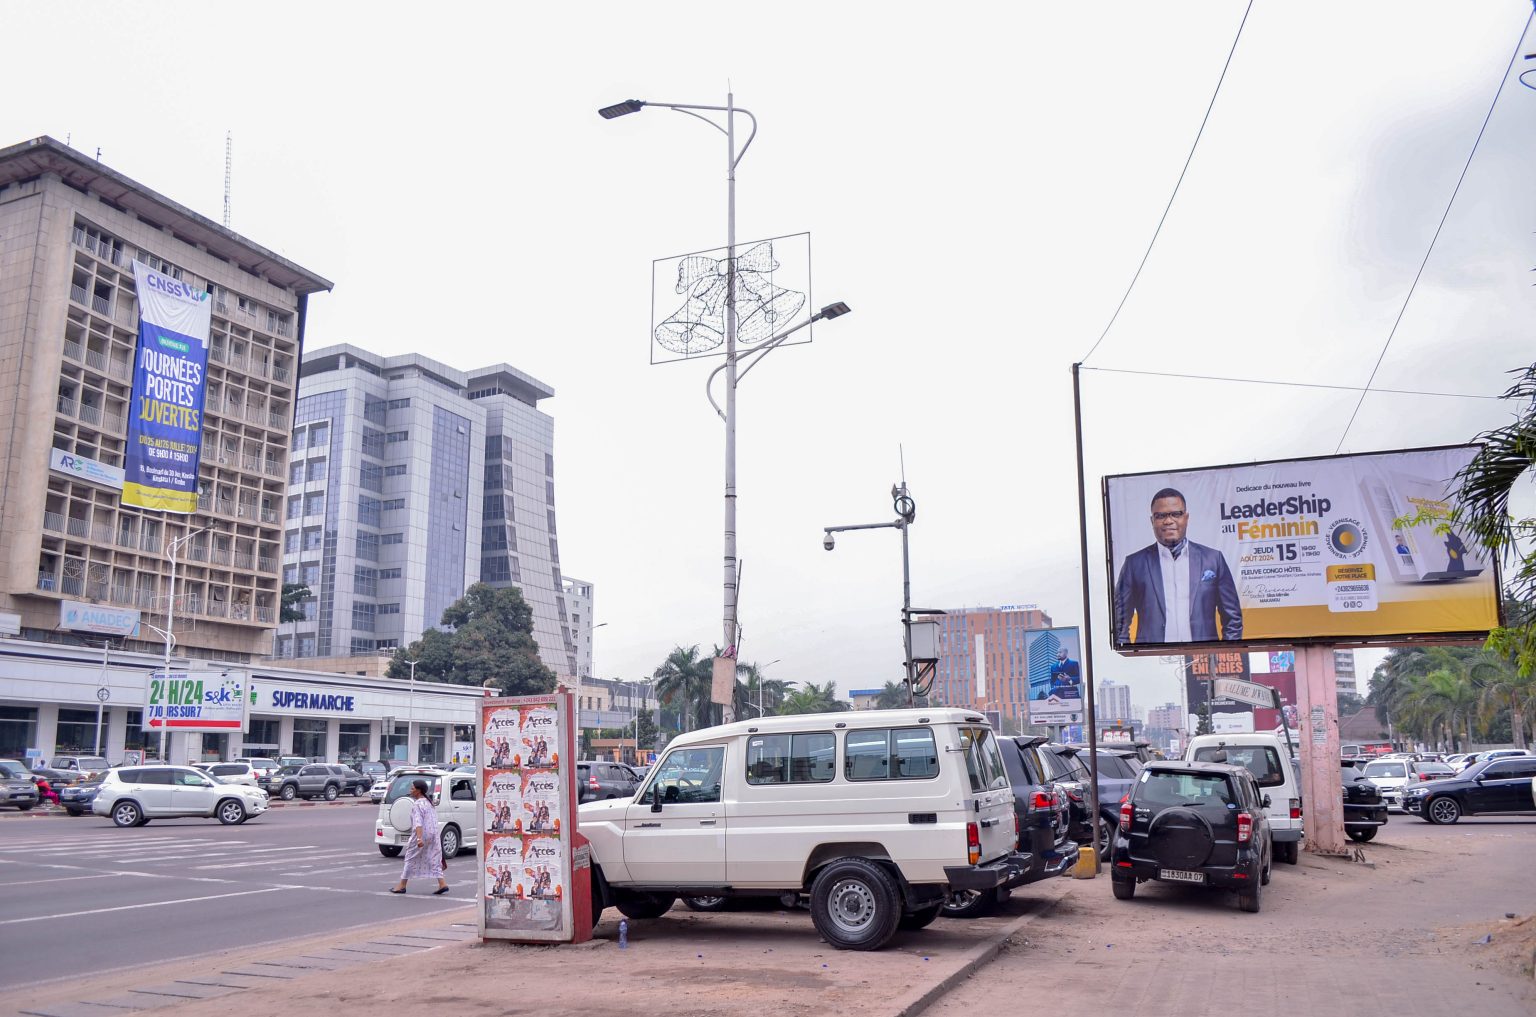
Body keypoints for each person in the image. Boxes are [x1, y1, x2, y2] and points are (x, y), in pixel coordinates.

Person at [1114, 487, 1242, 645]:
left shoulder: (1213, 559)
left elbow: (1233, 619)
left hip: (1202, 662)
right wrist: (1133, 656)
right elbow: (1119, 622)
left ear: (1186, 517)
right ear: (1152, 521)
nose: (1168, 521)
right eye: (1160, 516)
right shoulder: (1134, 564)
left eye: (1176, 514)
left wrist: (1221, 653)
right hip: (1152, 660)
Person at [390, 779, 449, 896]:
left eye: (412, 788)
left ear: (418, 791)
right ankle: (442, 883)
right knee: (433, 859)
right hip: (434, 835)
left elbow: (418, 823)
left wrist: (419, 838)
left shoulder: (417, 804)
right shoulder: (429, 803)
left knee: (409, 858)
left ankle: (402, 885)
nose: (410, 791)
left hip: (422, 834)